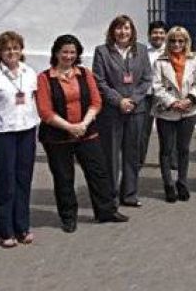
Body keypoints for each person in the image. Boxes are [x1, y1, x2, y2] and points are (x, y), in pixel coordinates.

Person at [37, 35, 128, 232]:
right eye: (65, 52)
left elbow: (96, 102)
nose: (68, 56)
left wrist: (83, 124)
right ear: (56, 53)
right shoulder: (45, 78)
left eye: (72, 52)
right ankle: (69, 217)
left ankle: (105, 212)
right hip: (57, 137)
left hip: (87, 132)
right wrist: (70, 127)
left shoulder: (85, 74)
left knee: (98, 173)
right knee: (64, 177)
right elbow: (45, 111)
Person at [92, 14, 153, 208]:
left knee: (132, 153)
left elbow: (146, 79)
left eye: (126, 28)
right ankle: (110, 194)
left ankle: (129, 194)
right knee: (110, 154)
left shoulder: (142, 51)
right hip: (111, 111)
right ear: (112, 31)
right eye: (118, 28)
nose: (122, 32)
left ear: (132, 31)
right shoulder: (102, 52)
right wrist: (119, 101)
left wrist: (133, 100)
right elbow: (99, 81)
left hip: (136, 110)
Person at [0, 31, 39, 247]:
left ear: (21, 50)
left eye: (16, 47)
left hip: (27, 130)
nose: (12, 52)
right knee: (6, 180)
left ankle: (22, 227)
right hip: (2, 132)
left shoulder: (29, 72)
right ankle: (6, 231)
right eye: (7, 48)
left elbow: (34, 98)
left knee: (24, 179)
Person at [152, 26, 196, 203]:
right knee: (166, 150)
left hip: (188, 111)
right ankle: (168, 184)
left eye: (181, 41)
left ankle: (182, 182)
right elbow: (157, 87)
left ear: (186, 42)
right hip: (167, 112)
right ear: (168, 42)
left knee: (183, 149)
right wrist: (173, 102)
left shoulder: (194, 60)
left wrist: (189, 100)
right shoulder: (160, 61)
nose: (177, 44)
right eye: (173, 40)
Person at [139, 20, 167, 167]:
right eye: (155, 32)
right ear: (149, 35)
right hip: (146, 95)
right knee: (143, 131)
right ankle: (139, 159)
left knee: (167, 131)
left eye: (161, 32)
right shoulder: (141, 51)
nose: (158, 35)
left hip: (165, 97)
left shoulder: (171, 50)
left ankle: (170, 161)